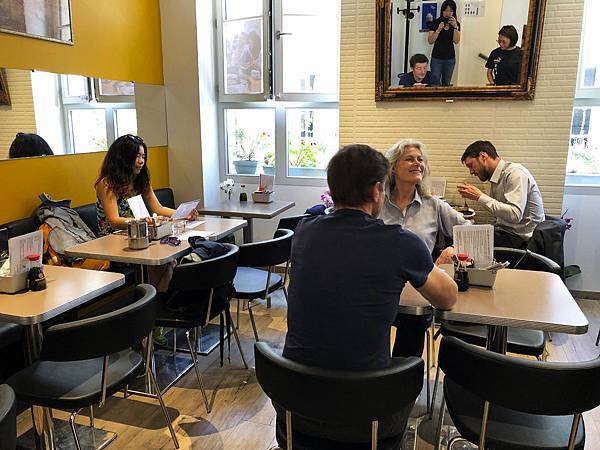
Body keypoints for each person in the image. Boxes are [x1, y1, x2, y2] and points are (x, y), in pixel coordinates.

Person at [282, 144, 457, 442]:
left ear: (332, 189)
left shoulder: (304, 231)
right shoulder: (401, 242)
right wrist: (434, 265)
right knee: (409, 361)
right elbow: (448, 298)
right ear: (378, 191)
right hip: (366, 418)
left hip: (294, 407)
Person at [379, 139, 468, 358]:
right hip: (379, 286)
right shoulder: (377, 201)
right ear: (393, 167)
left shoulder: (433, 204)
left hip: (418, 288)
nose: (417, 163)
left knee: (414, 324)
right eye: (409, 159)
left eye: (420, 159)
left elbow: (470, 231)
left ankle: (404, 376)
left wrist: (452, 248)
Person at [95, 134, 196, 293]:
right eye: (137, 156)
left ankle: (159, 299)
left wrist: (183, 214)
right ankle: (159, 300)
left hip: (140, 236)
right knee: (164, 262)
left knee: (170, 260)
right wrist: (139, 221)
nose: (141, 161)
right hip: (115, 243)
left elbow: (158, 208)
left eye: (143, 157)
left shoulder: (140, 179)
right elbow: (114, 221)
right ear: (123, 157)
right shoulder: (107, 183)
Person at [458, 140, 545, 249]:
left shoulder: (515, 174)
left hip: (522, 240)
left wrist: (479, 196)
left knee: (465, 242)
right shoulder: (495, 177)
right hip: (506, 233)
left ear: (483, 156)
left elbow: (514, 215)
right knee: (461, 234)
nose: (471, 172)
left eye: (471, 165)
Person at [427, 0, 461, 86]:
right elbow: (430, 41)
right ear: (442, 10)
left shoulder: (456, 24)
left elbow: (456, 41)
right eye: (445, 10)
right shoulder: (435, 22)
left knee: (446, 82)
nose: (448, 13)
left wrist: (455, 27)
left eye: (451, 10)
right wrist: (438, 30)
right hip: (436, 58)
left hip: (450, 59)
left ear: (454, 12)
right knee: (435, 83)